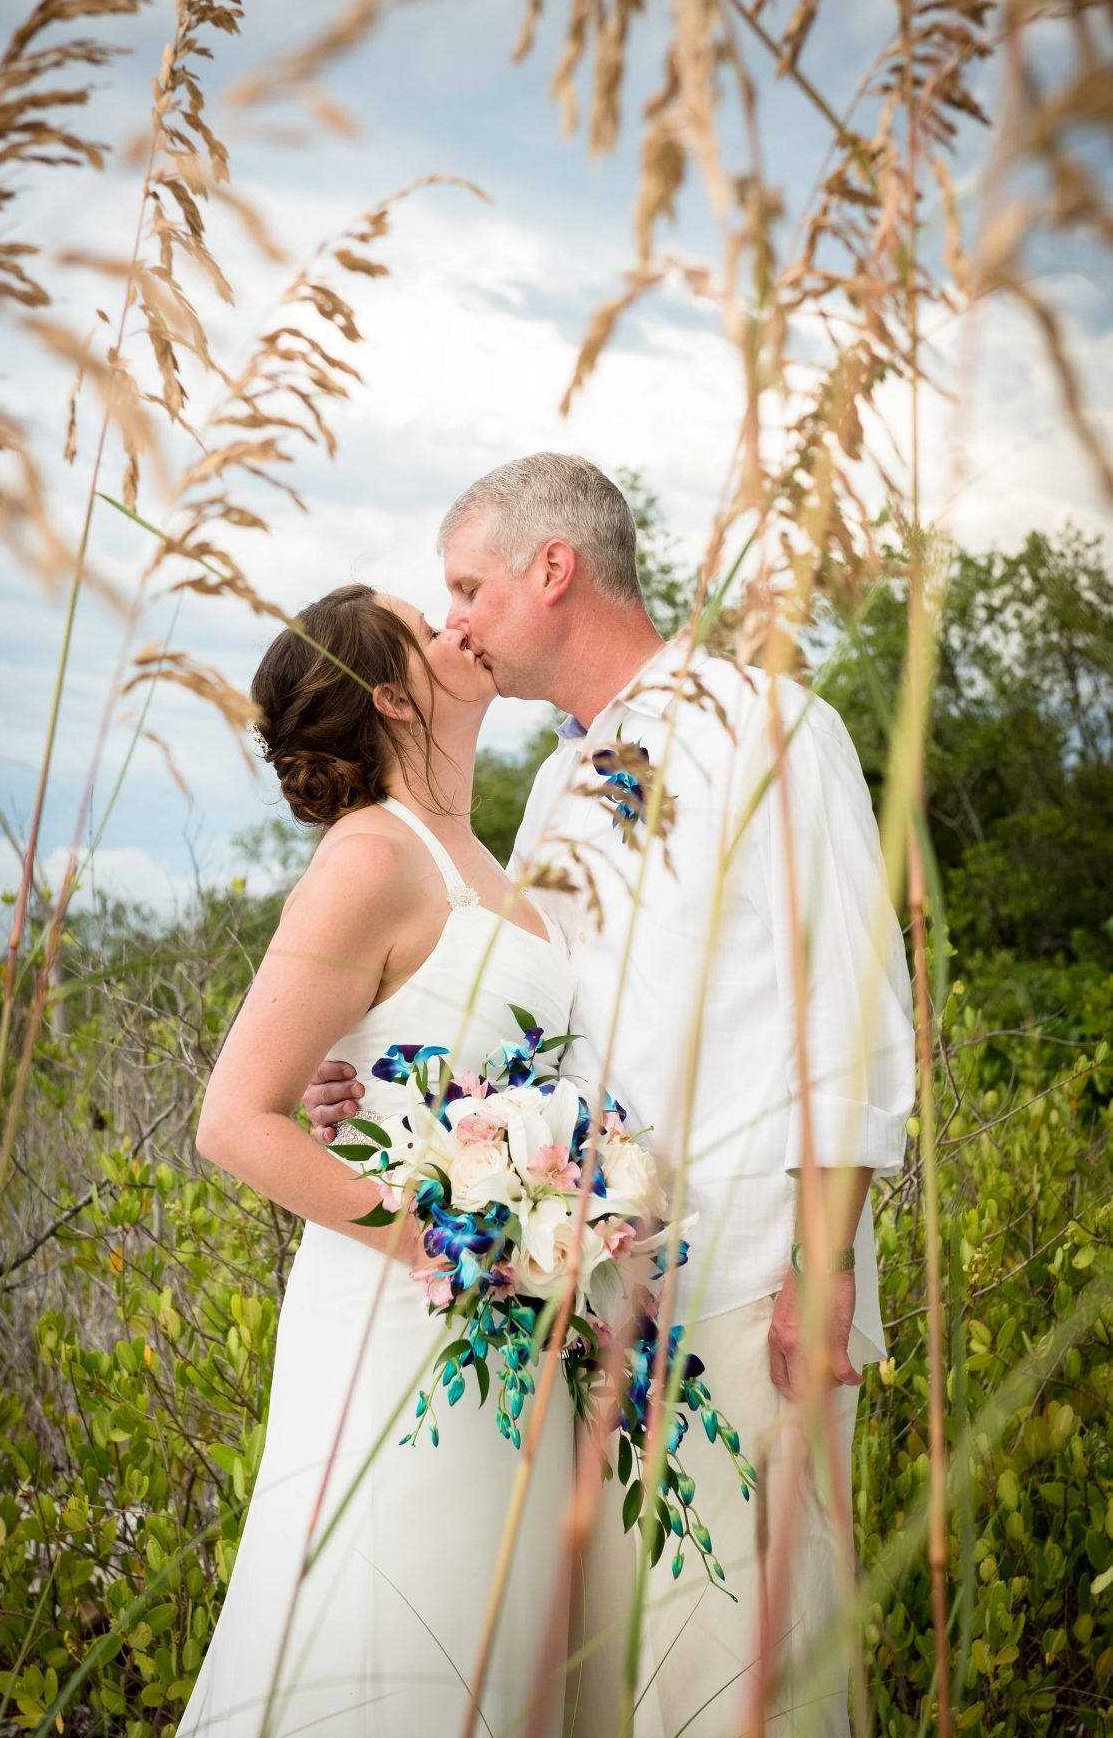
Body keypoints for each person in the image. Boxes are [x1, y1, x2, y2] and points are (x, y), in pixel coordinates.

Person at [305, 455, 916, 1735]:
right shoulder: (546, 793)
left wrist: (819, 1265)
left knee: (753, 1651)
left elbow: (847, 1007)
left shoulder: (773, 726)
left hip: (750, 1282)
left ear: (552, 568)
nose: (454, 620)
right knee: (624, 1675)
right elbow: (535, 1023)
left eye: (466, 586)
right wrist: (376, 1086)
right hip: (597, 1307)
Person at [179, 584, 576, 1738]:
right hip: (405, 1315)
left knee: (483, 1649)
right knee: (394, 1629)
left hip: (506, 1321)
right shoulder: (369, 860)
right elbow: (233, 1118)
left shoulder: (472, 851)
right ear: (395, 696)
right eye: (428, 624)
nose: (463, 626)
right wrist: (438, 1241)